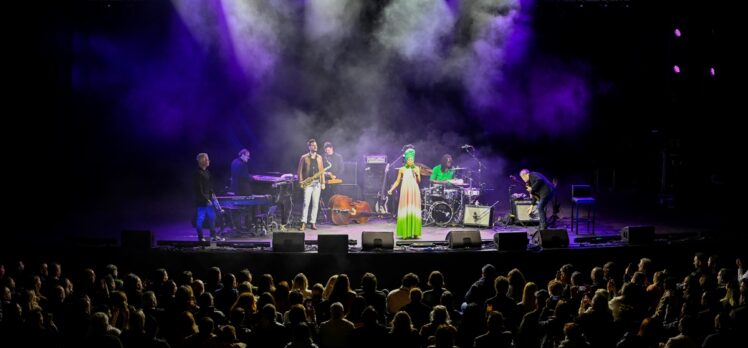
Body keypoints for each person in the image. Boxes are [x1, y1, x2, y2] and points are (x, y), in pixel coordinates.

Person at [387, 148, 422, 239]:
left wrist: (417, 174)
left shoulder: (417, 168)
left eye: (412, 159)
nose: (411, 161)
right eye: (409, 159)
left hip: (414, 190)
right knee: (405, 210)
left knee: (414, 210)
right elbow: (397, 181)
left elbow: (419, 181)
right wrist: (391, 189)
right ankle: (405, 232)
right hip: (405, 190)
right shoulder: (402, 169)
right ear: (406, 160)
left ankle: (415, 232)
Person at [298, 138, 326, 231]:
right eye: (313, 145)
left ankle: (313, 223)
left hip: (317, 183)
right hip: (308, 183)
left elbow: (321, 171)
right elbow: (299, 171)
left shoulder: (319, 157)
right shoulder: (304, 157)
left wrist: (323, 183)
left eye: (316, 145)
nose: (315, 147)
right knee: (306, 203)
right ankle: (303, 222)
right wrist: (301, 181)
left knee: (315, 204)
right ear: (309, 147)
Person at [194, 153, 223, 242]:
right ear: (202, 161)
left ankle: (213, 236)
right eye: (207, 159)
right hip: (201, 201)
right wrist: (206, 200)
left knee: (212, 218)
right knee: (200, 219)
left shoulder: (207, 172)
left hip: (209, 200)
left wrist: (213, 196)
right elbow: (199, 189)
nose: (208, 161)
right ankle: (200, 237)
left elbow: (209, 187)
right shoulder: (198, 173)